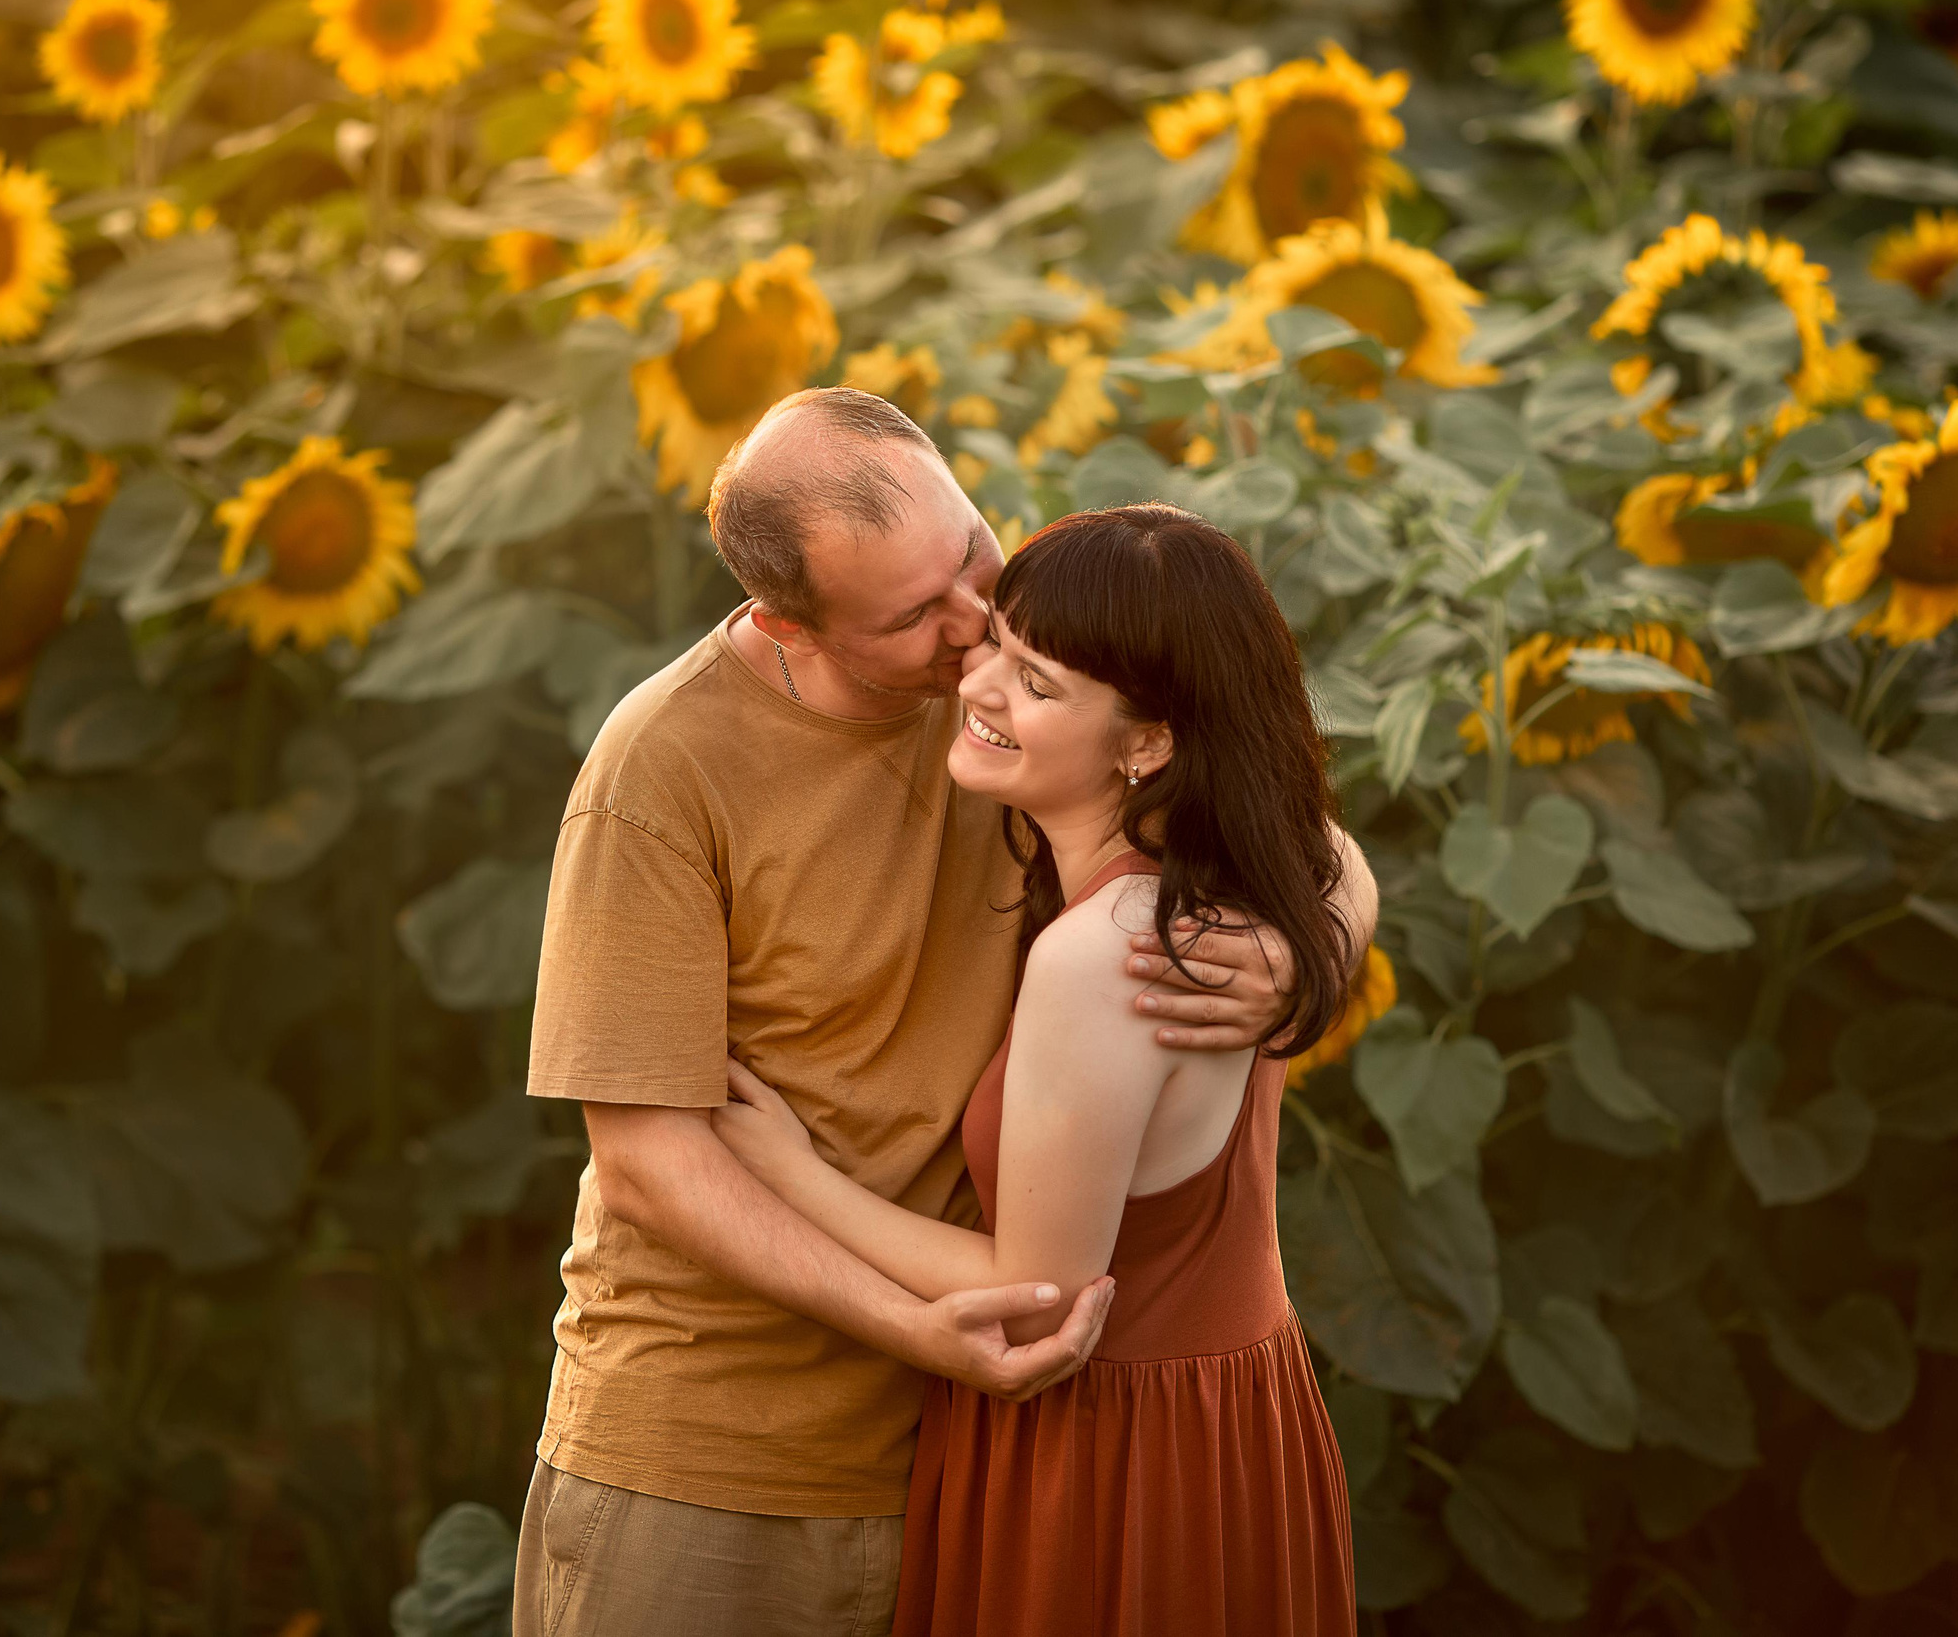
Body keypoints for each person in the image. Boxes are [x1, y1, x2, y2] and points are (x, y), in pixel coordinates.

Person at [517, 388, 1374, 1636]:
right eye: (914, 615)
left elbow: (1279, 809)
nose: (973, 628)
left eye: (972, 554)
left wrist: (1311, 946)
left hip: (988, 1442)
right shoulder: (665, 768)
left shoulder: (1030, 688)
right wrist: (929, 1333)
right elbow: (649, 1160)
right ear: (790, 624)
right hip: (727, 1455)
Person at [713, 501, 1358, 1637]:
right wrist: (1329, 944)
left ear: (1147, 744)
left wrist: (790, 1171)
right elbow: (1339, 852)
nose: (978, 686)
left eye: (1037, 683)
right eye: (997, 646)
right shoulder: (1252, 879)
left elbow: (1045, 1299)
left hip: (1109, 1452)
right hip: (1225, 1415)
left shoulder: (1101, 953)